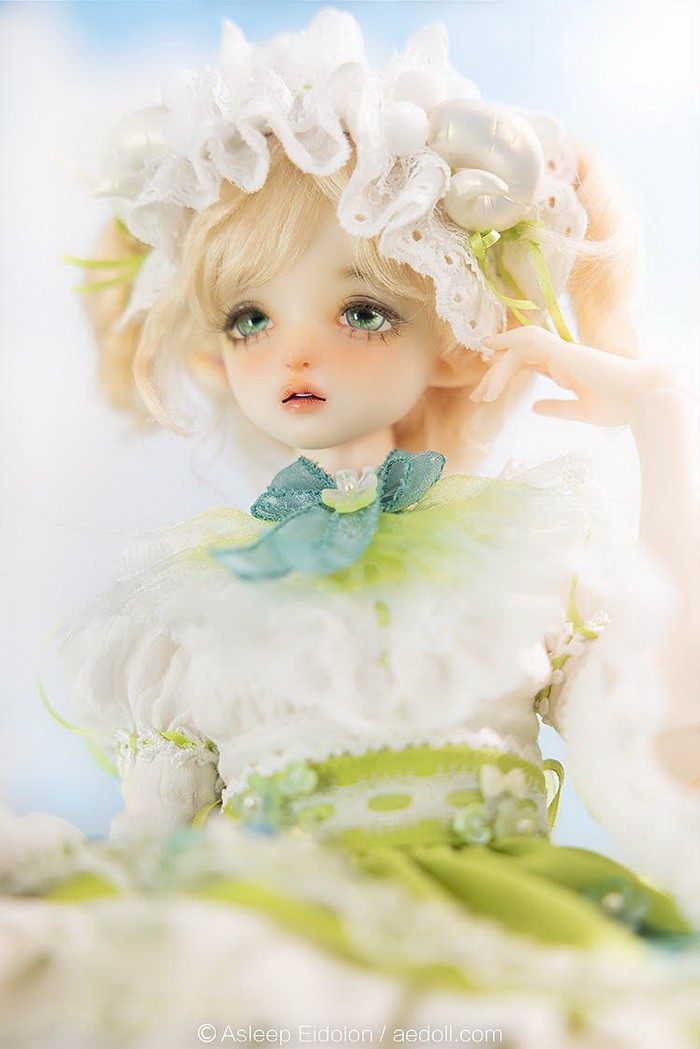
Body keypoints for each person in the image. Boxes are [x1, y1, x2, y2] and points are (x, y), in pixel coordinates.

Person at [1, 11, 699, 1048]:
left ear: (455, 338)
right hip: (255, 952)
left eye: (363, 310)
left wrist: (663, 422)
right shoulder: (188, 607)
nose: (294, 353)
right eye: (250, 317)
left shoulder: (530, 565)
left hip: (484, 943)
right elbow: (150, 834)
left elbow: (665, 760)